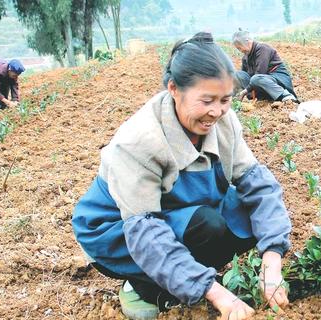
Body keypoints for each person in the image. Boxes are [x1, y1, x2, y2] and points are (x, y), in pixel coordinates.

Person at [71, 32, 292, 320]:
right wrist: (215, 292)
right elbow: (145, 232)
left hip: (181, 210)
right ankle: (142, 284)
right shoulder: (140, 140)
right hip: (121, 228)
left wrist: (272, 261)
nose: (217, 111)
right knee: (208, 226)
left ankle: (184, 273)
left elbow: (259, 185)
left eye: (225, 99)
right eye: (207, 100)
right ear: (174, 89)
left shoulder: (224, 121)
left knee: (249, 212)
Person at [232, 30, 298, 104]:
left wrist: (245, 91)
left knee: (256, 78)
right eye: (238, 49)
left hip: (278, 81)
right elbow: (244, 77)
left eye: (239, 48)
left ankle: (285, 95)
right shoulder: (245, 58)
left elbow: (260, 73)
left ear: (248, 41)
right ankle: (260, 98)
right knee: (239, 74)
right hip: (262, 84)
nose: (240, 50)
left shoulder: (262, 49)